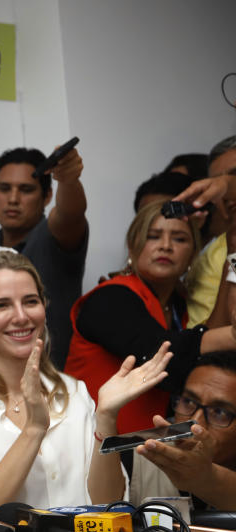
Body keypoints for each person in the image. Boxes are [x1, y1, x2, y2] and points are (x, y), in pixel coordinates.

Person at [0, 252, 168, 516]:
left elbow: (107, 505)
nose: (21, 316)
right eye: (1, 305)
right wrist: (33, 429)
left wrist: (106, 419)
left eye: (30, 301)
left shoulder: (75, 392)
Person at [66, 198, 236, 434]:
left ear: (193, 254)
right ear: (133, 246)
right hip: (86, 446)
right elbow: (162, 355)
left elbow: (203, 353)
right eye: (153, 236)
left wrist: (233, 255)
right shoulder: (111, 297)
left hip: (141, 452)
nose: (165, 246)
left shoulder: (178, 308)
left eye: (179, 238)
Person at [0, 146, 88, 368]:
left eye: (26, 190)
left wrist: (68, 180)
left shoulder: (52, 236)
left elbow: (70, 214)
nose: (13, 199)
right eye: (4, 188)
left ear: (47, 196)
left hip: (52, 383)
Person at [131, 350, 236, 510]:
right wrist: (106, 417)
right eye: (188, 401)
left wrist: (207, 479)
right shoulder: (142, 454)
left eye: (220, 412)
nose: (196, 423)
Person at [183, 137, 236, 326]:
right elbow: (211, 338)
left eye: (233, 177)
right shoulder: (212, 257)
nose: (223, 192)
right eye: (216, 184)